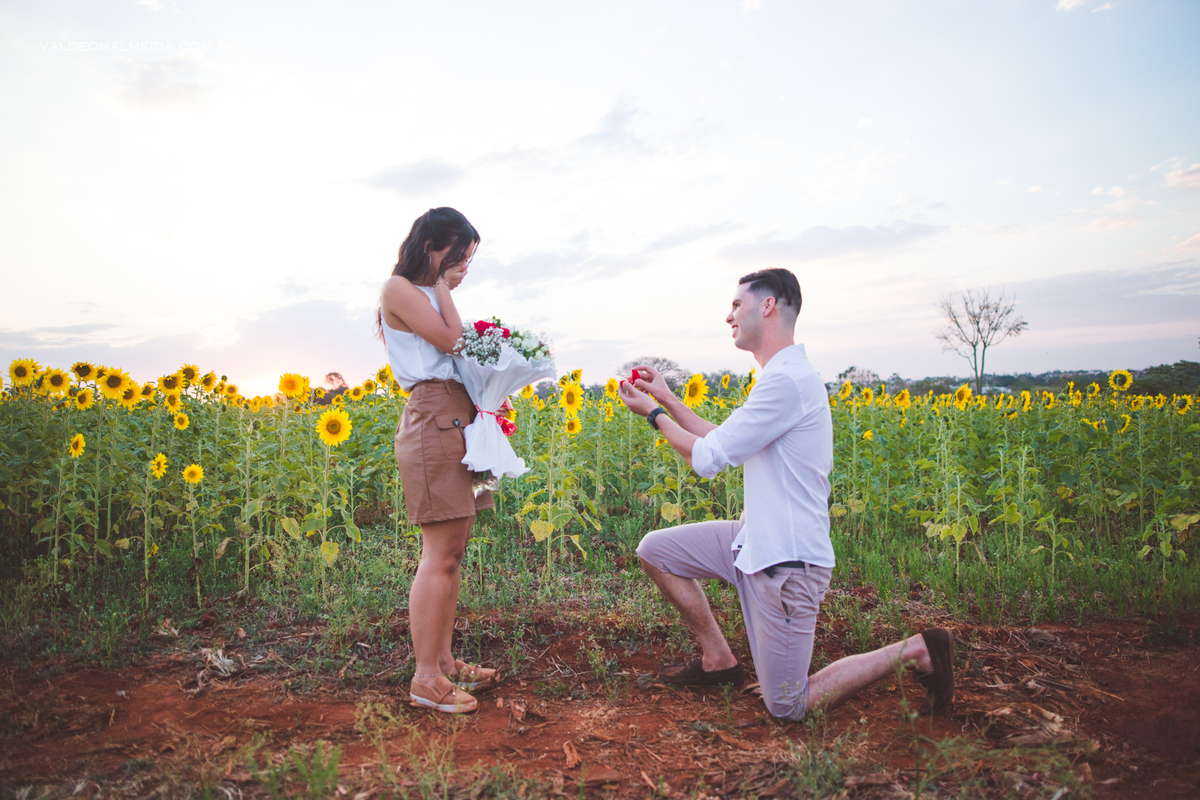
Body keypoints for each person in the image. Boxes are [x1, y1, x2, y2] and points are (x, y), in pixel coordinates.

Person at [616, 268, 953, 721]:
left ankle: (917, 650)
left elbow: (707, 459)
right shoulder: (780, 377)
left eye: (738, 305)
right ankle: (719, 661)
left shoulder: (787, 382)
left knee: (789, 706)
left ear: (768, 305)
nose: (729, 315)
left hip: (787, 564)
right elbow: (726, 441)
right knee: (656, 551)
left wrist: (654, 414)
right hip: (753, 540)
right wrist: (671, 401)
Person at [377, 207, 500, 714]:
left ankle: (444, 662)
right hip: (432, 416)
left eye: (470, 259)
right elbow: (453, 342)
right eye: (459, 256)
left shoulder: (432, 296)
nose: (464, 267)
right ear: (431, 245)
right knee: (440, 550)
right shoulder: (400, 288)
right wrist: (448, 290)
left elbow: (466, 353)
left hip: (458, 415)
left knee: (455, 546)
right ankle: (426, 678)